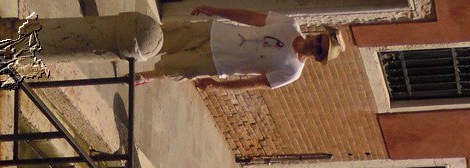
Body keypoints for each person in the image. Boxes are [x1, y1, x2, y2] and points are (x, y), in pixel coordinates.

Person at [138, 6, 341, 90]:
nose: (315, 45)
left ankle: (141, 77)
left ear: (318, 58)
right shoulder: (289, 25)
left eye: (320, 50)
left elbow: (255, 83)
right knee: (162, 38)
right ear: (317, 34)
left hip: (218, 63)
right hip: (214, 32)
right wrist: (214, 10)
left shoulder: (292, 71)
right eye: (320, 40)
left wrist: (217, 85)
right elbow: (251, 17)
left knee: (171, 67)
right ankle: (127, 46)